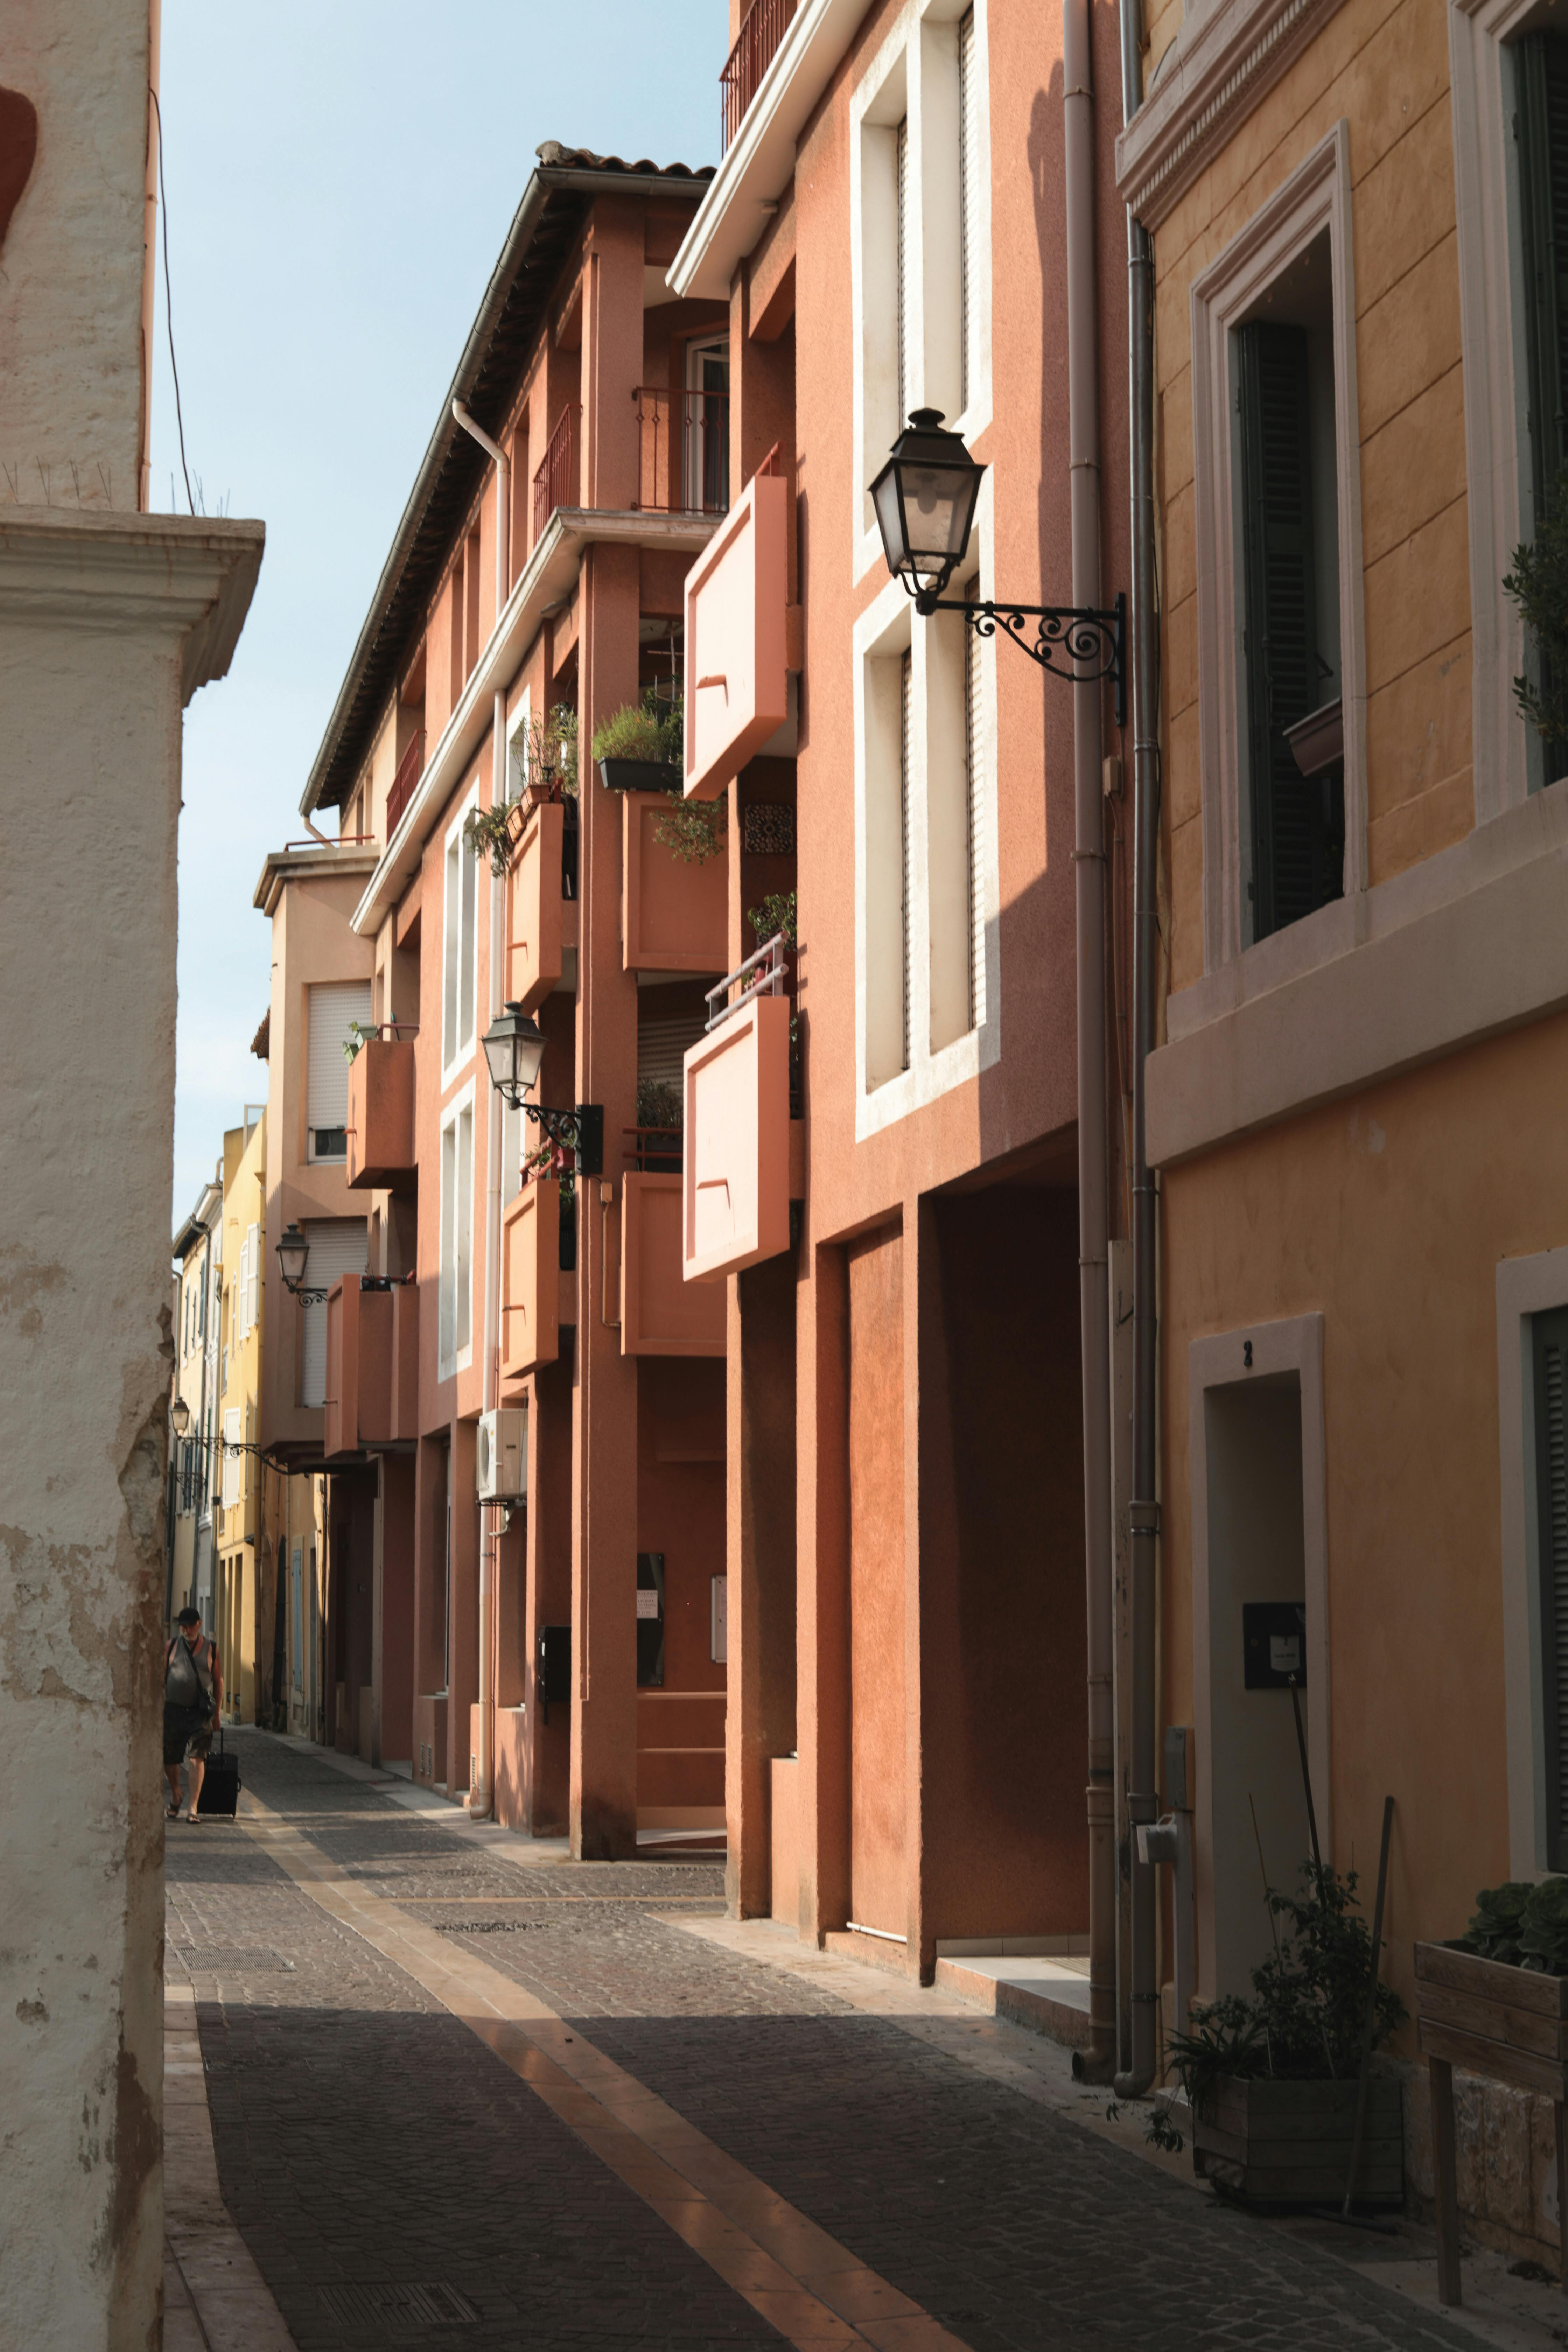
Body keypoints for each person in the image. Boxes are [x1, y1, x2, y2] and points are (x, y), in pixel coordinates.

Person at [164, 1606, 222, 1822]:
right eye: (183, 1627)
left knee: (198, 1758)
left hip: (201, 1712)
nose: (186, 1630)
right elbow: (161, 1679)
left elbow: (218, 1681)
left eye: (190, 1626)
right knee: (170, 1758)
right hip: (174, 1710)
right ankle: (176, 1793)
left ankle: (193, 1808)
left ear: (199, 1624)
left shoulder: (212, 1649)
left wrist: (217, 1714)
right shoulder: (171, 1647)